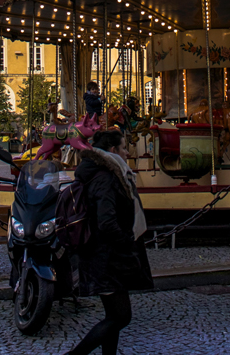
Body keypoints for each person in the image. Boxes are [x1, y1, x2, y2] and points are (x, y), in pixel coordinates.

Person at [65, 129, 153, 355]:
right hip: (107, 256)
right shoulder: (106, 177)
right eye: (124, 148)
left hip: (104, 255)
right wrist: (126, 240)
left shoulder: (101, 173)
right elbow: (106, 221)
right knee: (122, 316)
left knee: (114, 315)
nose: (127, 153)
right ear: (113, 150)